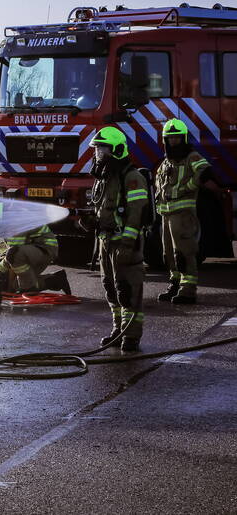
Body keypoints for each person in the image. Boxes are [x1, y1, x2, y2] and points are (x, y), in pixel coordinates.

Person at [90, 126, 149, 352]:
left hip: (125, 243)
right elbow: (102, 209)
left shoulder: (131, 177)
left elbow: (136, 214)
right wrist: (92, 222)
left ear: (116, 149)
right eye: (97, 150)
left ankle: (131, 335)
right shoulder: (104, 178)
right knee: (111, 288)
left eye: (103, 149)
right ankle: (118, 329)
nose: (99, 154)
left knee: (128, 289)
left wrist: (127, 243)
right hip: (106, 242)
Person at [154, 119, 224, 304]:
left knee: (185, 251)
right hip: (166, 215)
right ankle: (175, 284)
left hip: (183, 213)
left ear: (183, 138)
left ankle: (188, 290)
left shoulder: (191, 156)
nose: (174, 141)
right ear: (165, 140)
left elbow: (205, 172)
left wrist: (190, 186)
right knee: (168, 253)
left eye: (177, 138)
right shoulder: (166, 162)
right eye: (170, 138)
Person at [0, 199, 69, 301]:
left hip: (45, 248)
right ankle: (55, 280)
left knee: (15, 258)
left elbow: (12, 252)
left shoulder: (15, 220)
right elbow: (3, 251)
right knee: (14, 286)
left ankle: (28, 288)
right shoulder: (4, 223)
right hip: (29, 250)